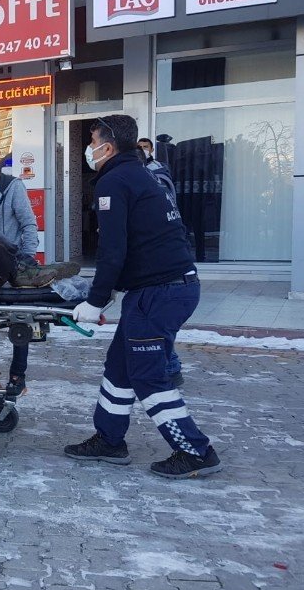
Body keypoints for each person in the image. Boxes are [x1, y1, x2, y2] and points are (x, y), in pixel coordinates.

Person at [65, 115, 222, 479]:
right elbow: (145, 240)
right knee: (120, 367)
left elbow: (113, 249)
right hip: (161, 289)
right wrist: (114, 291)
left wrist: (95, 300)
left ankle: (195, 451)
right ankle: (109, 439)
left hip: (160, 293)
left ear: (108, 146)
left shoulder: (114, 181)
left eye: (91, 142)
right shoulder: (140, 175)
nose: (88, 149)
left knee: (148, 377)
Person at [0, 142, 76, 396]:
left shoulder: (12, 187)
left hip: (13, 262)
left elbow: (28, 225)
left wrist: (27, 260)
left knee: (19, 319)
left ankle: (17, 376)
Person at [138, 137, 183, 387]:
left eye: (145, 147)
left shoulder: (155, 175)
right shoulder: (147, 175)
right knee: (151, 321)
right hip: (156, 262)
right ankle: (166, 366)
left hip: (161, 263)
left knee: (156, 322)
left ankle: (171, 366)